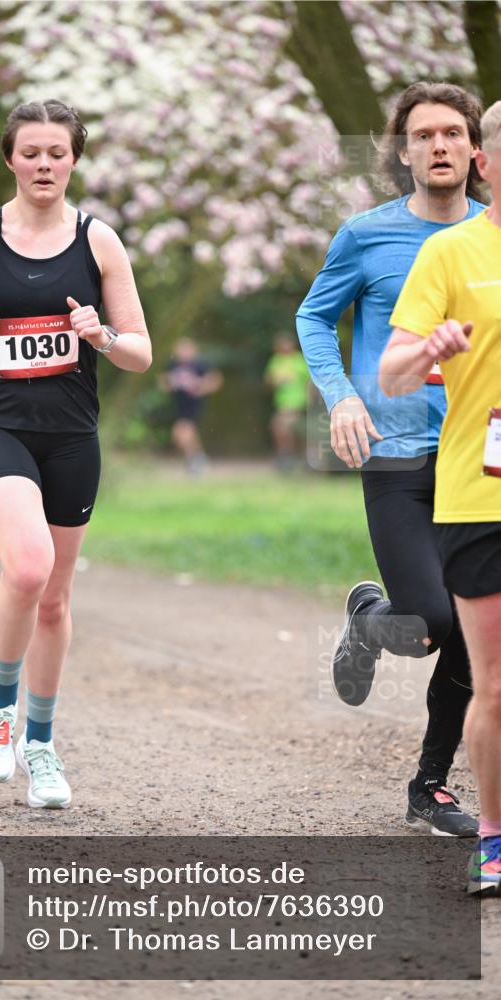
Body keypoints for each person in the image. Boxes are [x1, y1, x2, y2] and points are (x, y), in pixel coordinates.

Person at [0, 100, 151, 809]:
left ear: (74, 159)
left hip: (71, 437)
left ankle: (42, 746)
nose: (44, 164)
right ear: (10, 159)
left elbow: (140, 352)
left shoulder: (99, 242)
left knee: (54, 601)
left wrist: (100, 337)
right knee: (28, 565)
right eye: (31, 152)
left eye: (57, 152)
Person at [296, 82, 486, 837]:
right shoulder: (365, 235)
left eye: (451, 133)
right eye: (422, 135)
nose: (437, 146)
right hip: (396, 454)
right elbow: (314, 315)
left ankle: (429, 787)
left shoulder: (493, 235)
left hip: (481, 458)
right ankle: (371, 619)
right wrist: (341, 396)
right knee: (430, 621)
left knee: (478, 626)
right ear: (401, 151)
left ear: (476, 149)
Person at [379, 101, 501, 894]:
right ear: (486, 162)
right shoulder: (452, 253)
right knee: (492, 680)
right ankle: (493, 840)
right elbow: (390, 375)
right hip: (478, 492)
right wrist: (427, 346)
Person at [160, 338, 222, 474]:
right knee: (181, 435)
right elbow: (163, 384)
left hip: (194, 405)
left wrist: (200, 387)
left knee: (183, 431)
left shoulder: (200, 365)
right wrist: (171, 383)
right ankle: (197, 459)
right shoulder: (172, 366)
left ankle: (195, 461)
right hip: (179, 405)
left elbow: (215, 381)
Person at [264, 334, 310, 471]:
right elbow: (268, 381)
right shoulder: (276, 360)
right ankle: (290, 456)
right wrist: (276, 381)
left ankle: (288, 456)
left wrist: (309, 397)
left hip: (298, 401)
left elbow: (310, 380)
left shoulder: (299, 360)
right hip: (281, 402)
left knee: (279, 426)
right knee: (281, 428)